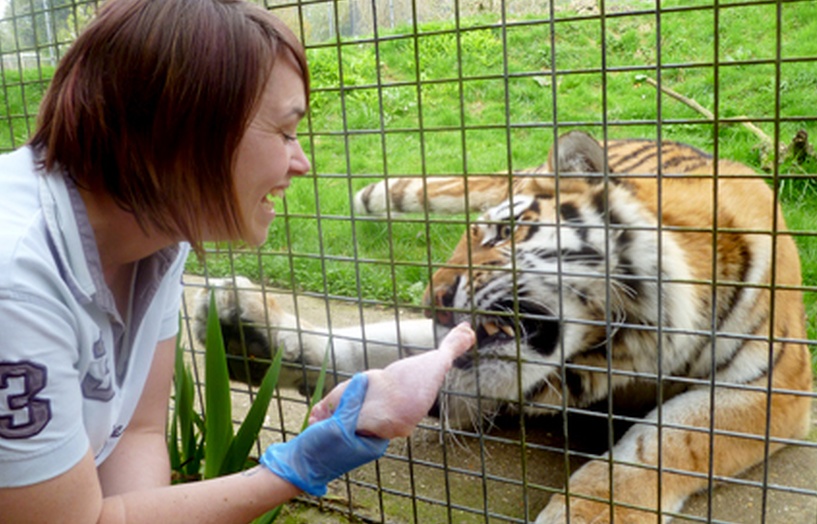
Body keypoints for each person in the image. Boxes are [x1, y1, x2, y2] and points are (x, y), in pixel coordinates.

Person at [0, 1, 475, 522]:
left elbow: (135, 434)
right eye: (286, 132)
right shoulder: (17, 283)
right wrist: (299, 464)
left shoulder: (158, 234)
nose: (302, 163)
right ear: (184, 128)